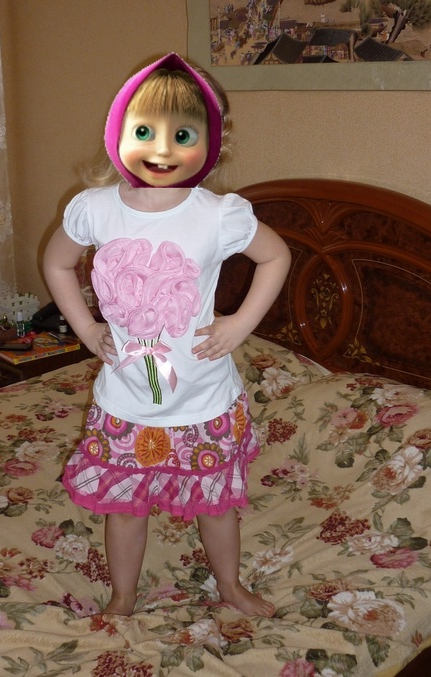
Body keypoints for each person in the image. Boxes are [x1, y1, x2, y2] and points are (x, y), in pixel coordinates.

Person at [43, 53, 291, 618]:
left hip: (203, 398)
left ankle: (229, 586)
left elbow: (276, 256)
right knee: (124, 507)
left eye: (182, 135)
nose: (161, 150)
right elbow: (57, 263)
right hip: (126, 399)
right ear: (117, 132)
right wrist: (86, 328)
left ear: (213, 144)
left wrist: (239, 324)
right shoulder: (95, 209)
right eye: (143, 132)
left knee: (215, 504)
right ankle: (123, 596)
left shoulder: (219, 215)